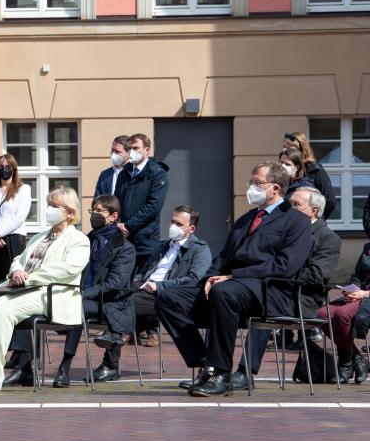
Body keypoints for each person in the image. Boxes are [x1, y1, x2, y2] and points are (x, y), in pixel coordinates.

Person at [156, 161, 312, 397]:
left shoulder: (295, 221)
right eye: (251, 182)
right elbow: (225, 256)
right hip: (231, 286)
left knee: (224, 292)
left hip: (267, 290)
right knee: (167, 297)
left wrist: (232, 276)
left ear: (276, 188)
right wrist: (210, 277)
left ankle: (221, 373)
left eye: (257, 183)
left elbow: (286, 265)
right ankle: (206, 362)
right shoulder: (246, 219)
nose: (251, 187)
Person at [0, 186, 90, 393]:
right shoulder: (40, 236)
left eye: (55, 206)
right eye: (48, 204)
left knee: (2, 308)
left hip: (51, 293)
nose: (49, 209)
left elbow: (68, 270)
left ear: (70, 212)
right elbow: (19, 259)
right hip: (21, 288)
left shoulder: (79, 239)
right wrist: (17, 271)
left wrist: (30, 278)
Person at [230, 187, 342, 389]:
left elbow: (317, 275)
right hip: (269, 287)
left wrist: (281, 271)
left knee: (264, 309)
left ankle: (245, 372)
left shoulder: (327, 237)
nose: (289, 209)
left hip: (300, 297)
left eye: (295, 205)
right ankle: (212, 370)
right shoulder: (284, 229)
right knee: (223, 298)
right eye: (288, 204)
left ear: (313, 211)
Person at [93, 205, 212, 384]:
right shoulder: (162, 246)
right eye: (172, 221)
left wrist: (160, 286)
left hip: (173, 296)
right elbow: (144, 271)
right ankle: (113, 353)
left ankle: (110, 362)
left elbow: (194, 279)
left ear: (191, 228)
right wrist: (137, 285)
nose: (173, 225)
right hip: (146, 294)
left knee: (123, 308)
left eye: (179, 223)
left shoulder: (200, 249)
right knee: (120, 302)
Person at [42, 195, 135, 388]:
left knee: (76, 307)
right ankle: (24, 365)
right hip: (79, 294)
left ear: (113, 216)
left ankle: (64, 368)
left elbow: (115, 282)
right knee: (39, 299)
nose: (94, 215)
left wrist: (84, 293)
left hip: (109, 302)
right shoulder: (85, 240)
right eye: (92, 211)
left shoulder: (125, 248)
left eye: (99, 211)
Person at [113, 133, 169, 345]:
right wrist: (118, 224)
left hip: (145, 238)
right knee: (126, 285)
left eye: (137, 147)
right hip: (125, 239)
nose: (133, 152)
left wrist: (130, 225)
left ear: (147, 150)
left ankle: (151, 329)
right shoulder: (125, 172)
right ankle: (127, 328)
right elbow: (117, 201)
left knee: (145, 284)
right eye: (130, 148)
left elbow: (153, 207)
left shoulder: (157, 173)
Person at [317, 247, 370, 384]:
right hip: (360, 294)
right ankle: (357, 358)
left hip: (367, 296)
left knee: (342, 314)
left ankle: (345, 364)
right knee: (322, 314)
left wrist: (364, 294)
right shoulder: (367, 247)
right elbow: (358, 275)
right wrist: (353, 290)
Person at [0, 154, 32, 283]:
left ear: (14, 169)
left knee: (13, 279)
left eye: (8, 166)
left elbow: (19, 216)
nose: (4, 169)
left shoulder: (23, 189)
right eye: (0, 166)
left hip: (13, 239)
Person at [283, 132, 336, 219]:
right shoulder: (286, 170)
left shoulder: (315, 169)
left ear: (301, 150)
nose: (285, 151)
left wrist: (317, 219)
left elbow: (330, 201)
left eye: (289, 148)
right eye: (284, 147)